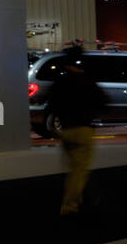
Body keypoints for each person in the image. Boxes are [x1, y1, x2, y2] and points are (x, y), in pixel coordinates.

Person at [46, 45, 107, 215]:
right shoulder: (87, 81)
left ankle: (77, 199)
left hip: (66, 129)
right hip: (83, 129)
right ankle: (70, 206)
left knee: (72, 168)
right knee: (80, 170)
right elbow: (103, 102)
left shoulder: (61, 82)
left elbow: (51, 104)